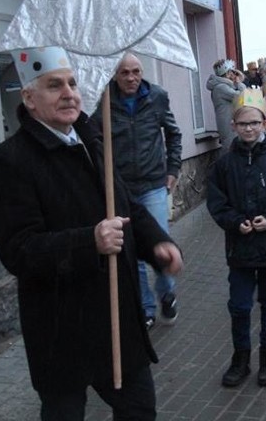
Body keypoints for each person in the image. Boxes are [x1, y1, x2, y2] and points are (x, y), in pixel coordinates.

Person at [0, 47, 183, 421]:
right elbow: (19, 250)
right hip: (61, 328)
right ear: (29, 97)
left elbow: (127, 208)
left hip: (116, 322)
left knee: (140, 411)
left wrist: (158, 243)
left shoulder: (92, 140)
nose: (69, 93)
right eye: (54, 85)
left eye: (72, 83)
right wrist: (89, 242)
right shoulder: (7, 163)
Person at [92, 53, 182, 328]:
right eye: (125, 73)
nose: (131, 78)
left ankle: (166, 292)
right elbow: (95, 138)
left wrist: (173, 169)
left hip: (153, 183)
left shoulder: (157, 96)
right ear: (115, 75)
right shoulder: (105, 100)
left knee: (158, 242)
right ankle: (146, 308)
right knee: (132, 250)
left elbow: (173, 133)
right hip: (122, 187)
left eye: (136, 72)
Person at [207, 88, 266, 388]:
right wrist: (234, 221)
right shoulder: (224, 165)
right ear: (233, 126)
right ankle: (240, 358)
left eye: (254, 123)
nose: (249, 128)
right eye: (243, 124)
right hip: (239, 249)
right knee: (239, 306)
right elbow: (217, 202)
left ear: (265, 123)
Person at [206, 58, 246, 153]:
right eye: (232, 72)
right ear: (228, 73)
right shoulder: (221, 88)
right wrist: (239, 83)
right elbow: (242, 97)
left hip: (228, 124)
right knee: (230, 151)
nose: (234, 75)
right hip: (228, 126)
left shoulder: (222, 86)